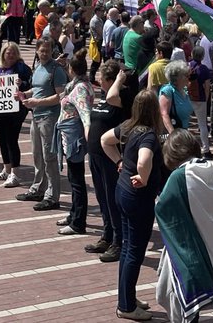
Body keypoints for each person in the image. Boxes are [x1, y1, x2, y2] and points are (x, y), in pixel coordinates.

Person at [155, 129, 213, 323]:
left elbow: (163, 207)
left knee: (172, 292)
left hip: (187, 241)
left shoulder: (179, 175)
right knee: (183, 290)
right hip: (210, 236)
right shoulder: (209, 168)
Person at [101, 89, 166, 321]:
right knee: (134, 252)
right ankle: (126, 307)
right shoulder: (148, 134)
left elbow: (104, 140)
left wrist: (118, 161)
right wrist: (144, 177)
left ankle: (126, 297)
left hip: (122, 192)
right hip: (138, 198)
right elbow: (144, 159)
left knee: (128, 248)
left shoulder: (128, 126)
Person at [16, 36, 67, 212]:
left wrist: (37, 102)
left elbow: (60, 96)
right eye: (41, 50)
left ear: (51, 50)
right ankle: (38, 188)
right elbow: (36, 89)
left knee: (49, 157)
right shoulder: (38, 67)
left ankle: (52, 196)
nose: (44, 53)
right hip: (36, 116)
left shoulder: (56, 70)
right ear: (37, 50)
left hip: (49, 117)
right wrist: (24, 94)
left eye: (47, 50)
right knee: (37, 154)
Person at [87, 60, 129, 260]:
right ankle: (107, 235)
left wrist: (119, 81)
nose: (98, 82)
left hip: (109, 158)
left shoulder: (119, 99)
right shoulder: (103, 98)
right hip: (95, 156)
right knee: (102, 198)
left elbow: (113, 96)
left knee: (112, 200)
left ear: (112, 80)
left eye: (102, 79)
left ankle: (118, 242)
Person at [56, 53, 94, 235]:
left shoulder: (80, 89)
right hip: (69, 137)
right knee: (73, 179)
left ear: (72, 70)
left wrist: (89, 139)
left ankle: (79, 222)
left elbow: (86, 115)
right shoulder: (76, 85)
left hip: (75, 139)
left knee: (77, 181)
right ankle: (73, 214)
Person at [0, 41, 32, 186]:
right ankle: (6, 169)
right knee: (1, 139)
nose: (11, 55)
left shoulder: (22, 68)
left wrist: (22, 84)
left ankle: (15, 173)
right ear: (3, 54)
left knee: (11, 140)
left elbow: (31, 85)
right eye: (8, 52)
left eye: (14, 52)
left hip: (15, 111)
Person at [158, 60, 192, 138]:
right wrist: (173, 135)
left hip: (183, 131)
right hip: (172, 135)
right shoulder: (167, 91)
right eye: (185, 75)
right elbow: (164, 114)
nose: (188, 77)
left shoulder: (184, 90)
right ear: (176, 78)